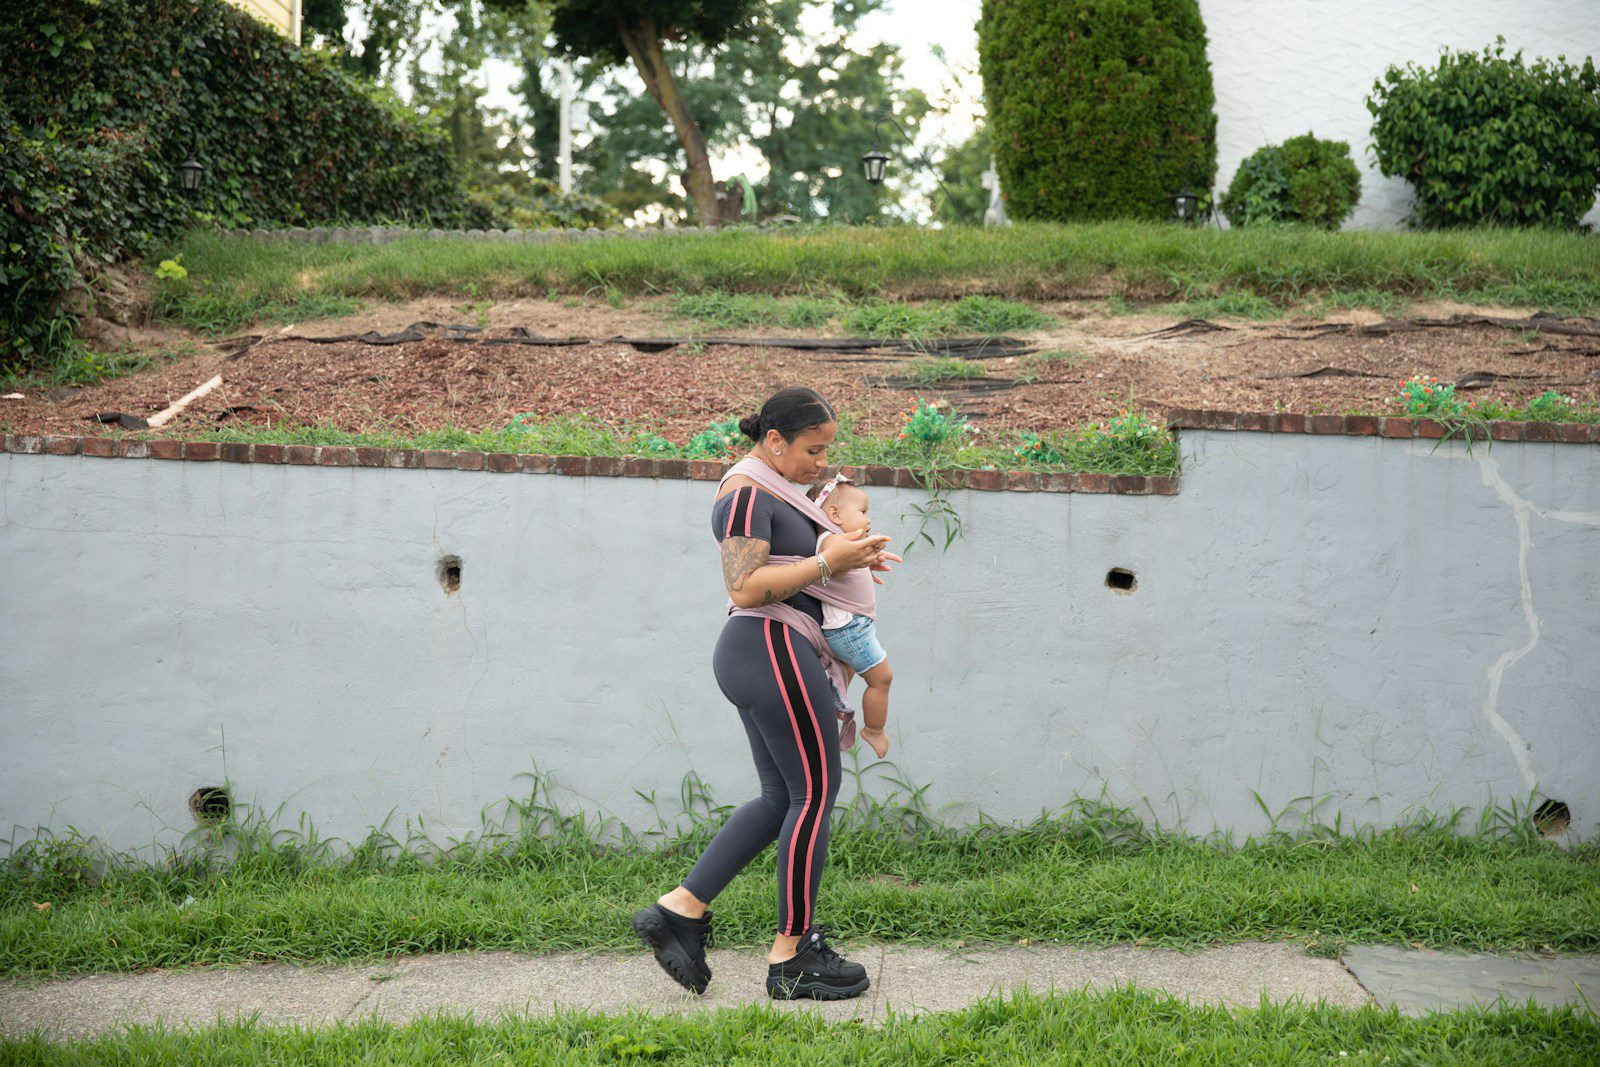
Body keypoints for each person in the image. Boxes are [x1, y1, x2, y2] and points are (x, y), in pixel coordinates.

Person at [630, 386, 900, 1001]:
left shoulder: (775, 490)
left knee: (782, 797)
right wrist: (829, 566)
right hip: (770, 647)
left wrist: (848, 561)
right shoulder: (747, 493)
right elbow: (746, 586)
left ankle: (681, 910)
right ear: (774, 441)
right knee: (815, 793)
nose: (822, 464)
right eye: (812, 450)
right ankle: (792, 954)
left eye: (827, 451)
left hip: (766, 653)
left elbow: (796, 572)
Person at [809, 475, 893, 759]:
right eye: (863, 511)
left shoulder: (838, 542)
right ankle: (874, 730)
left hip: (851, 626)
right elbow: (835, 561)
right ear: (834, 514)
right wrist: (867, 551)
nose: (868, 520)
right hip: (850, 628)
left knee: (848, 670)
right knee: (882, 678)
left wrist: (868, 560)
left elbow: (844, 567)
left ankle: (832, 702)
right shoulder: (830, 540)